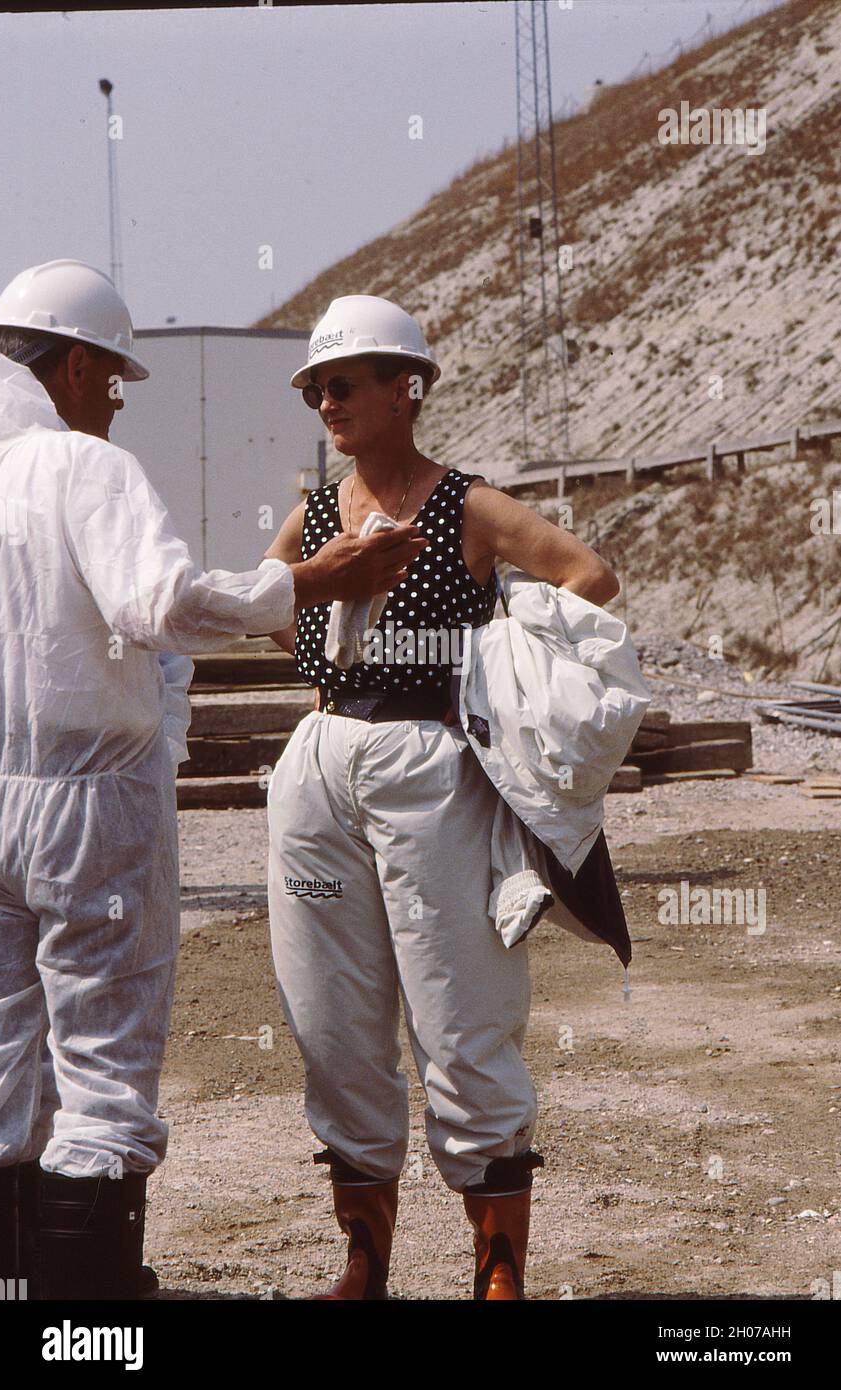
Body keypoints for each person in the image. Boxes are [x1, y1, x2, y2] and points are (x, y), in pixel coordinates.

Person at [0, 262, 428, 1301]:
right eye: (116, 379)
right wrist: (326, 578)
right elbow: (161, 608)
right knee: (102, 1067)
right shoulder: (80, 469)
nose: (117, 399)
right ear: (81, 363)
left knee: (3, 1057)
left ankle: (14, 1291)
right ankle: (90, 1314)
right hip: (89, 802)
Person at [262, 294, 620, 1300]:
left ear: (402, 389)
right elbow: (260, 604)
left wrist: (500, 651)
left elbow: (588, 574)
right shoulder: (314, 514)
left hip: (433, 756)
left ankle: (496, 1264)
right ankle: (363, 1259)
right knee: (332, 1010)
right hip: (322, 754)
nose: (326, 401)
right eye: (317, 388)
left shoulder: (465, 505)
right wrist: (319, 587)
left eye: (344, 382)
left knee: (462, 1002)